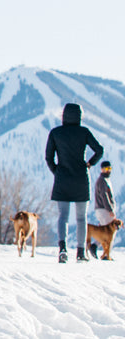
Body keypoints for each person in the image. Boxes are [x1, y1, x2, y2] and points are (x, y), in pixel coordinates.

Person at [45, 102, 103, 263]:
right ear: (79, 116)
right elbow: (99, 150)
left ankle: (62, 249)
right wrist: (90, 163)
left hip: (62, 178)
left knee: (62, 216)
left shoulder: (55, 133)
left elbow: (48, 157)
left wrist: (56, 171)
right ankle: (80, 252)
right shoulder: (84, 132)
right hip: (81, 179)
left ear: (64, 115)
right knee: (81, 218)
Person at [90, 160, 116, 258]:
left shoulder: (105, 180)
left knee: (104, 232)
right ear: (101, 169)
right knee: (110, 233)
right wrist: (110, 209)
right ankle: (106, 254)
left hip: (101, 209)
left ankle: (95, 246)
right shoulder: (102, 181)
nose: (108, 171)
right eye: (105, 169)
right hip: (104, 209)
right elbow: (104, 196)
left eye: (109, 168)